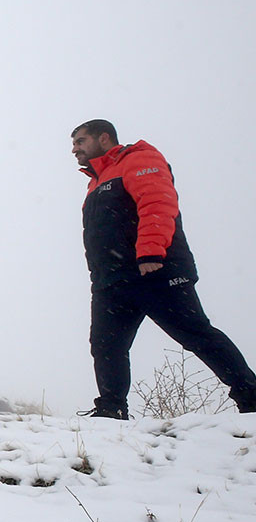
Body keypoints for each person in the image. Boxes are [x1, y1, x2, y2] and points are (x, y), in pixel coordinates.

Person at [70, 120, 256, 418]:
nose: (75, 149)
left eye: (80, 141)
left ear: (103, 138)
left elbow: (157, 203)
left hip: (154, 271)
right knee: (105, 345)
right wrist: (99, 276)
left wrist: (151, 253)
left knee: (196, 335)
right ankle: (111, 409)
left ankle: (251, 397)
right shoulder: (96, 182)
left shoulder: (138, 159)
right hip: (112, 281)